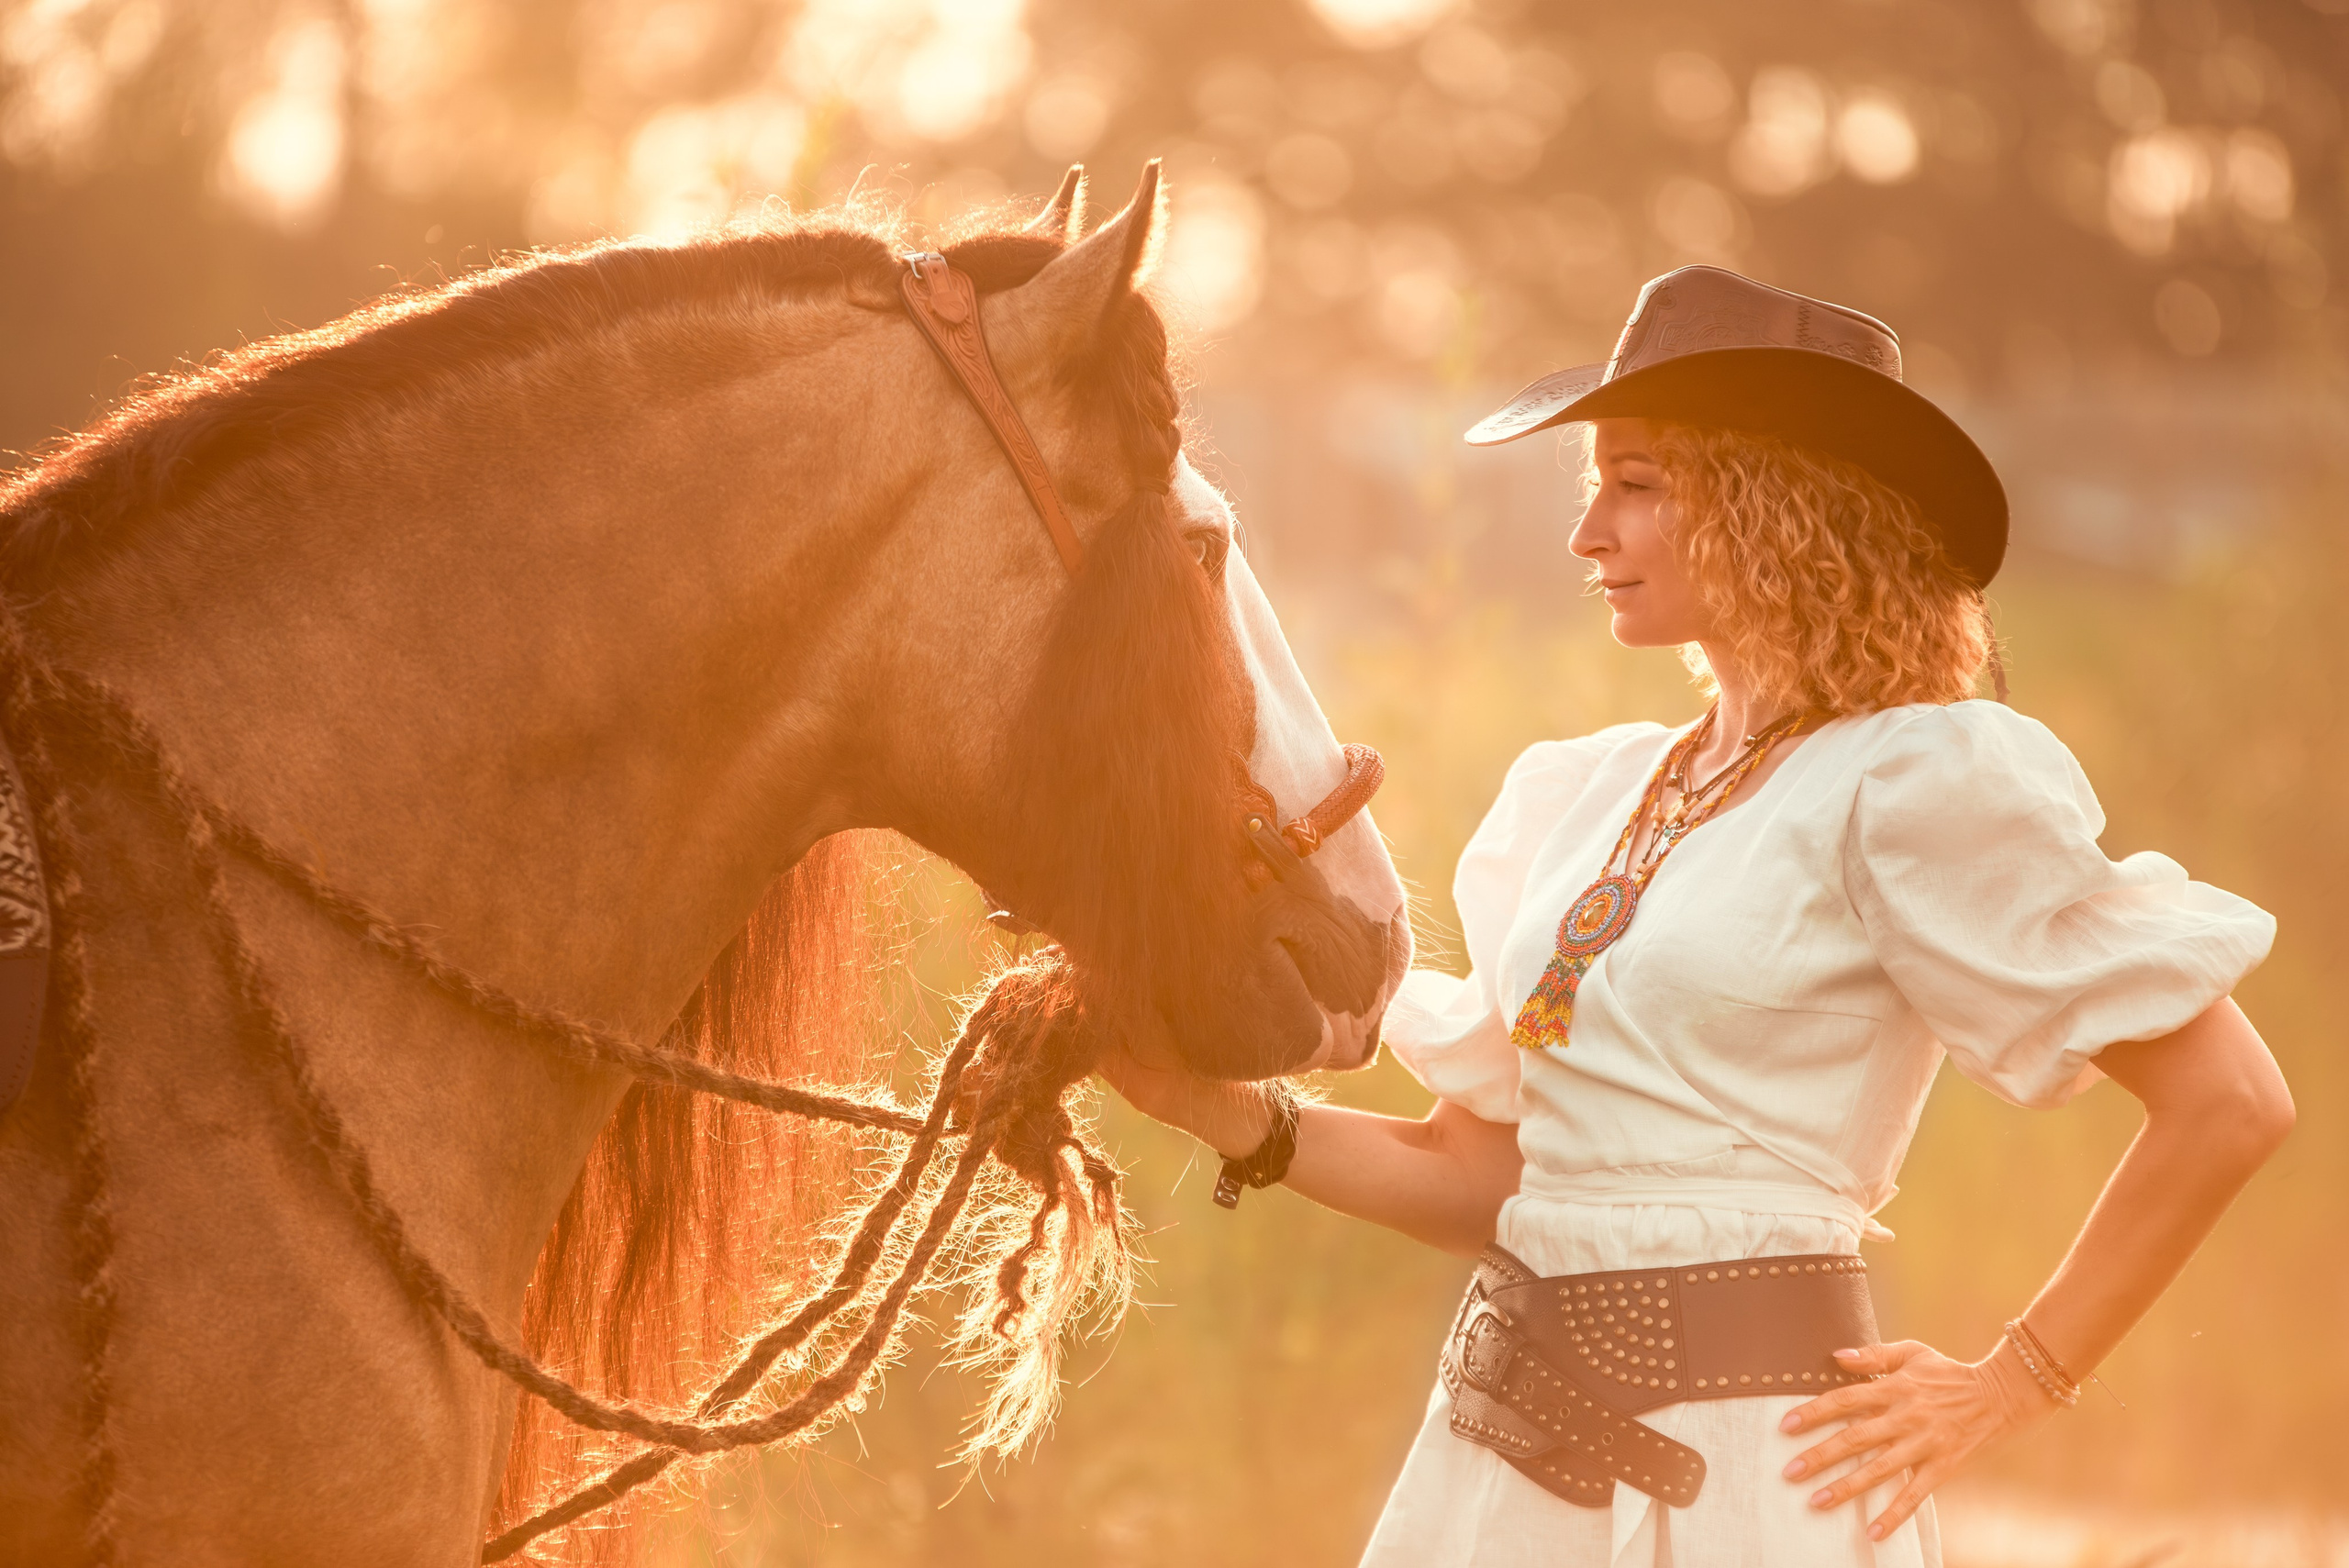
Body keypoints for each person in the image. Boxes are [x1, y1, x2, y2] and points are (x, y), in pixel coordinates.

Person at [1100, 265, 2292, 1567]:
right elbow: (1493, 1176)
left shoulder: (1910, 779)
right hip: (1499, 1475)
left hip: (1753, 1488)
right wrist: (1217, 1112)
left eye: (1639, 485)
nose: (1587, 533)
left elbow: (2231, 1098)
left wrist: (2012, 1380)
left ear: (1772, 503)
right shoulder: (1592, 792)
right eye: (1592, 486)